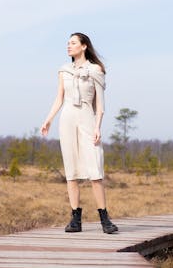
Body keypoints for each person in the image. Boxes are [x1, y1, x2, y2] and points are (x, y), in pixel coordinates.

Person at [40, 32, 118, 234]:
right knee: (71, 170)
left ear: (84, 46)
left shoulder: (96, 70)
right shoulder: (63, 70)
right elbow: (59, 97)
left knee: (95, 169)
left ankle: (105, 218)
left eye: (73, 43)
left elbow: (100, 104)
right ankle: (75, 219)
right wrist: (48, 119)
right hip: (67, 118)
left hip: (87, 118)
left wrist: (98, 126)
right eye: (67, 43)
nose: (69, 46)